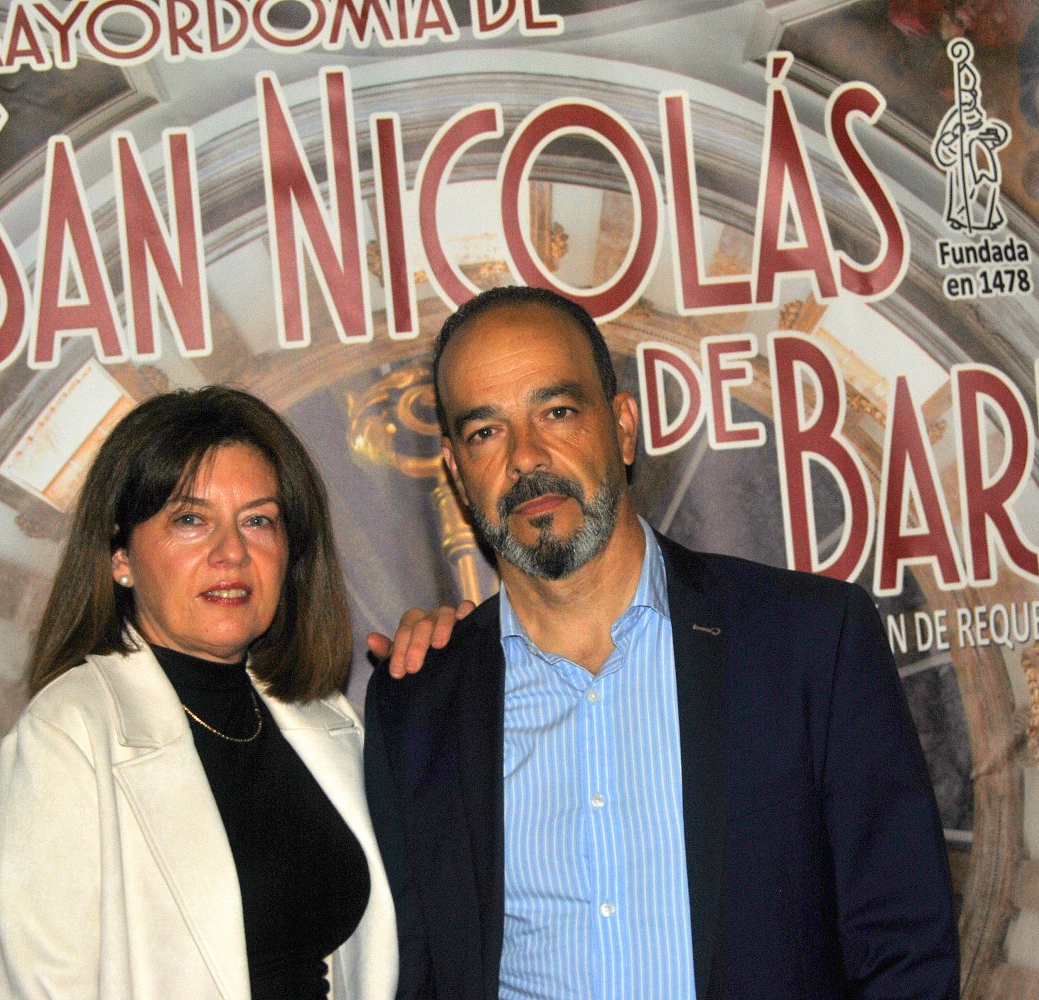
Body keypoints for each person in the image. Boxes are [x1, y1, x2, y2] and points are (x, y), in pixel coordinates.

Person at [365, 286, 960, 1000]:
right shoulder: (420, 706)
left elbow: (904, 947)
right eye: (486, 431)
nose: (526, 457)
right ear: (458, 473)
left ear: (622, 427)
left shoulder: (809, 642)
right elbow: (419, 974)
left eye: (557, 412)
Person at [0, 387, 396, 1000]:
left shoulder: (320, 716)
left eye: (258, 521)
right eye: (190, 520)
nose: (231, 553)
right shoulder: (67, 732)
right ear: (120, 555)